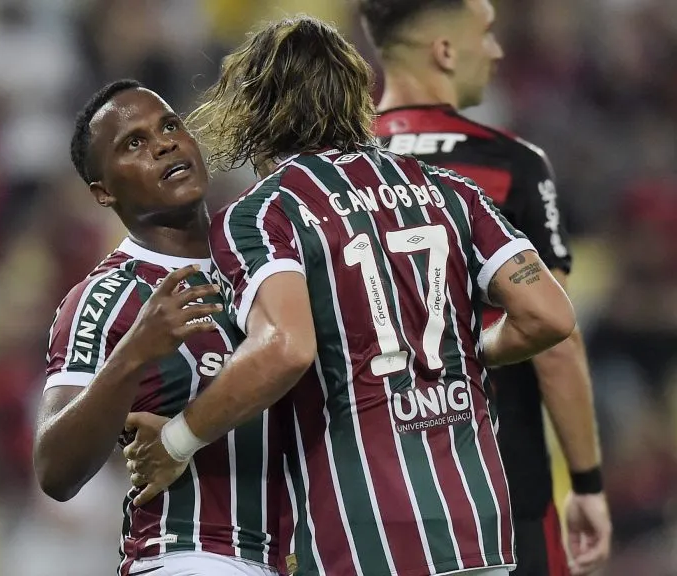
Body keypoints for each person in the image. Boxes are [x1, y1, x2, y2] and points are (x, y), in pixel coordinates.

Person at [124, 16, 577, 576]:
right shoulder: (450, 190)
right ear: (356, 97)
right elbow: (549, 314)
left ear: (253, 111)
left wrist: (174, 442)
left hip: (366, 538)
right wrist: (461, 351)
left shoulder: (265, 213)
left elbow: (285, 348)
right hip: (476, 525)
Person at [359, 1, 612, 574]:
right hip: (501, 482)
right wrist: (587, 482)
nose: (497, 51)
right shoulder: (512, 165)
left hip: (370, 492)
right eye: (487, 34)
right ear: (445, 51)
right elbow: (557, 339)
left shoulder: (327, 172)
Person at [33, 79, 288, 576]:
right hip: (192, 553)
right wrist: (134, 353)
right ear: (102, 191)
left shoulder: (270, 260)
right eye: (134, 143)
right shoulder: (106, 297)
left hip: (307, 555)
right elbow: (54, 469)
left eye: (170, 126)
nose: (164, 143)